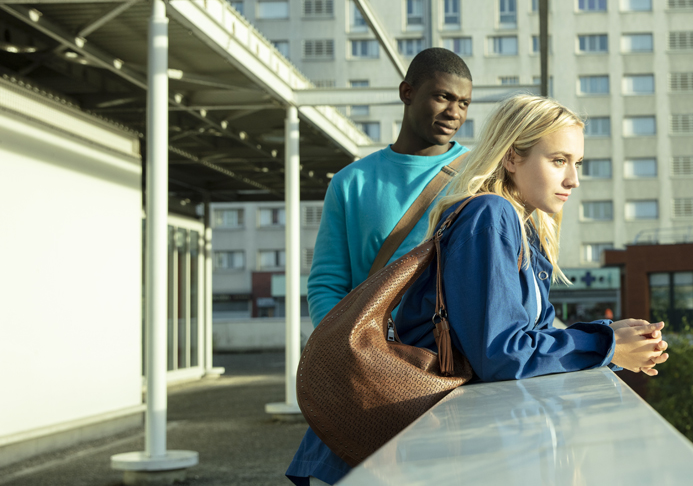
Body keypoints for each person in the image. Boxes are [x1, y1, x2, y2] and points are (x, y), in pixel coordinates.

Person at [285, 47, 473, 486]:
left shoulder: (478, 176)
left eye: (464, 103)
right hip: (367, 366)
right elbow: (328, 280)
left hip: (445, 368)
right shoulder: (352, 181)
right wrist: (349, 351)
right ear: (407, 92)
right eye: (443, 97)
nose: (454, 112)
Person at [394, 94, 670, 388]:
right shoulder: (490, 215)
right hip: (437, 415)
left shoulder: (525, 230)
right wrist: (607, 344)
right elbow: (501, 356)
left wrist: (609, 334)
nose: (573, 180)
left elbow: (530, 338)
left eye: (577, 163)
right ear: (511, 157)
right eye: (559, 161)